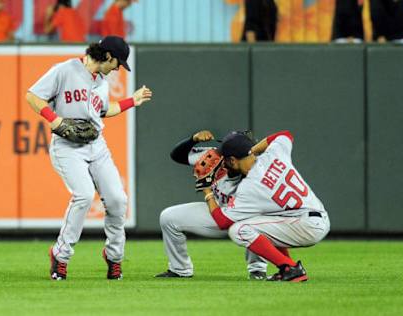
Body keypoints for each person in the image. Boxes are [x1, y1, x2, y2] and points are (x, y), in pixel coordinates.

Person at [25, 36, 153, 281]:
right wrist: (55, 120)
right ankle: (60, 256)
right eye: (117, 62)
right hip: (67, 146)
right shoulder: (64, 70)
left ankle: (114, 257)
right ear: (106, 56)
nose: (118, 68)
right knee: (83, 195)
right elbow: (32, 96)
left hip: (96, 146)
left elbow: (104, 111)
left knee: (117, 200)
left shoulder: (102, 81)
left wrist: (132, 101)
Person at [198, 130, 330, 282]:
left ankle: (289, 268)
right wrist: (251, 150)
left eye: (226, 160)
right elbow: (285, 134)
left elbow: (223, 222)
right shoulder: (274, 154)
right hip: (315, 216)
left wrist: (207, 191)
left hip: (305, 226)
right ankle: (287, 268)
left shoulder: (249, 188)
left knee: (239, 230)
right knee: (262, 221)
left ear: (233, 161)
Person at [155, 130, 268, 280]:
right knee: (169, 217)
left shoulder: (258, 172)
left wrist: (207, 191)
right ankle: (179, 269)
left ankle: (257, 269)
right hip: (216, 211)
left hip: (243, 218)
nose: (219, 155)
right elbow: (177, 156)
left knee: (258, 220)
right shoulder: (215, 157)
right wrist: (192, 140)